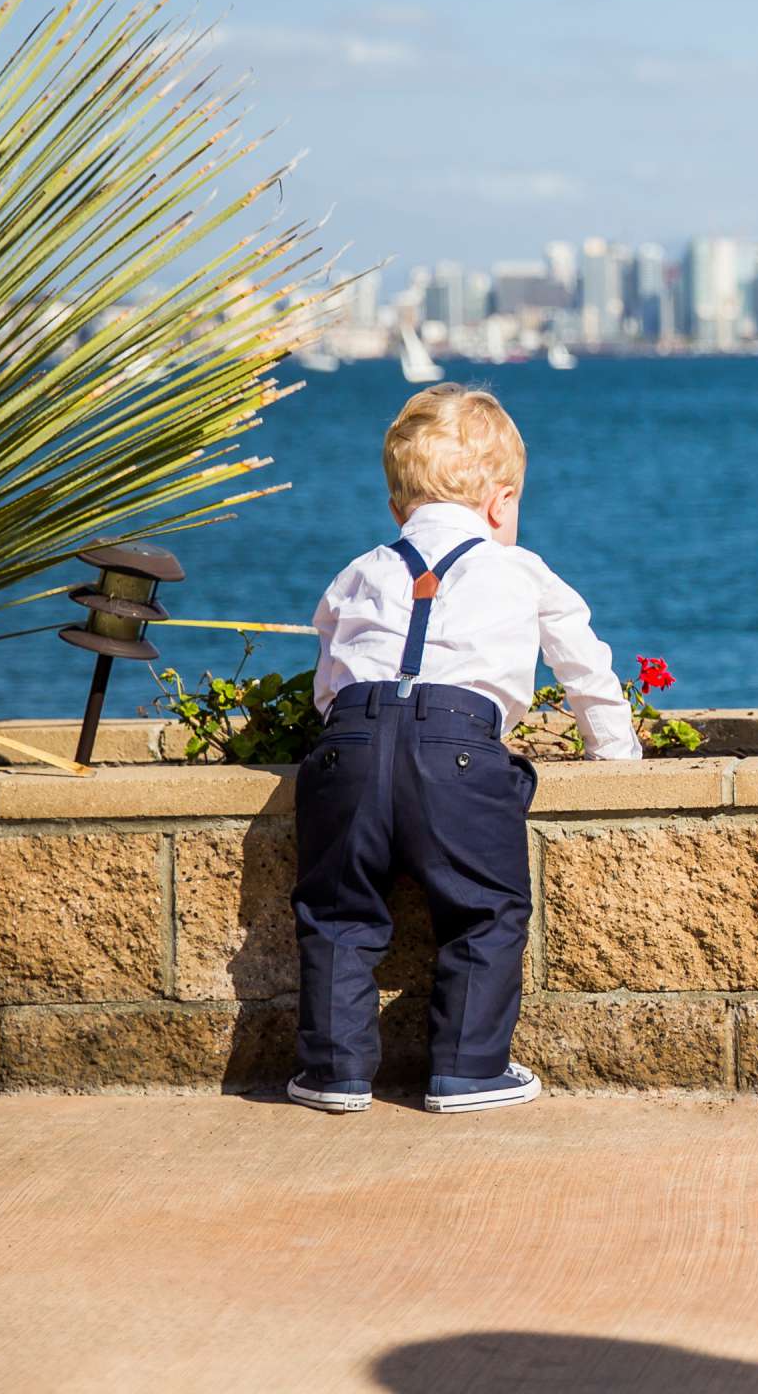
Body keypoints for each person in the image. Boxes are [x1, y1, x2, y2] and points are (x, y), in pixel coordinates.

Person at [288, 383, 640, 1115]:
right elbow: (587, 671)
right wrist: (618, 759)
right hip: (458, 750)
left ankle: (333, 1073)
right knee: (485, 910)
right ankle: (468, 1070)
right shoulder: (521, 569)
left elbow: (329, 680)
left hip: (348, 742)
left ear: (398, 509)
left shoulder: (359, 569)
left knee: (336, 911)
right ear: (502, 502)